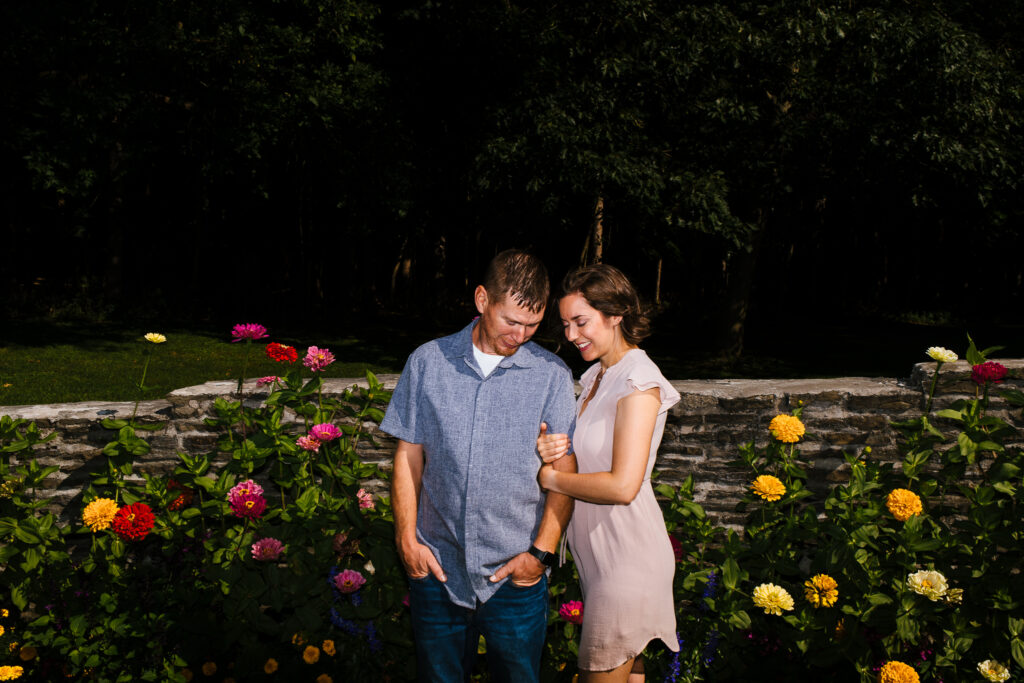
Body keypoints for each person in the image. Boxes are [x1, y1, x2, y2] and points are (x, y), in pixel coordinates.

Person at [380, 249, 578, 683]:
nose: (521, 335)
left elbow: (566, 474)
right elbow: (408, 457)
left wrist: (539, 556)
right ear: (482, 299)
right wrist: (406, 541)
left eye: (532, 325)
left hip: (516, 574)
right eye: (512, 321)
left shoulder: (552, 376)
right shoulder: (428, 362)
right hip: (437, 566)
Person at [536, 263, 681, 683]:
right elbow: (589, 454)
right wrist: (554, 450)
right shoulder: (599, 375)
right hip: (602, 562)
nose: (571, 335)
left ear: (615, 314)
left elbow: (621, 485)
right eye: (565, 324)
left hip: (628, 562)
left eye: (581, 321)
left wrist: (552, 479)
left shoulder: (638, 380)